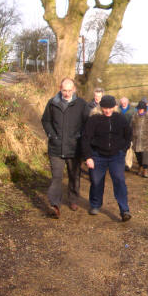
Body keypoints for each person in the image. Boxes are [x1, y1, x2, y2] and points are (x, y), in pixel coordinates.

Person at [41, 77, 89, 218]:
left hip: (74, 147)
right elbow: (45, 120)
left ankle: (73, 199)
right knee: (56, 177)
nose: (67, 93)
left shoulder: (81, 104)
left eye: (69, 90)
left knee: (74, 175)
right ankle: (54, 205)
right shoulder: (52, 103)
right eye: (64, 90)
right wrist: (51, 135)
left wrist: (81, 136)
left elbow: (87, 123)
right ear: (59, 88)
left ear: (74, 89)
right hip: (56, 147)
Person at [82, 95, 132, 221]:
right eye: (105, 108)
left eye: (110, 108)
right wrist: (88, 157)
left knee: (119, 180)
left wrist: (123, 149)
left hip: (116, 155)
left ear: (114, 107)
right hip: (98, 155)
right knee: (96, 181)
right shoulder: (94, 119)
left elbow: (128, 134)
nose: (108, 111)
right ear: (100, 107)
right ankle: (95, 205)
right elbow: (85, 138)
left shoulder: (120, 118)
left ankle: (124, 210)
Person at [131, 100, 148, 178]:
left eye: (141, 108)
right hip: (136, 139)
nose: (140, 110)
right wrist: (129, 137)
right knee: (138, 155)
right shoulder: (134, 116)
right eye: (139, 108)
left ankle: (145, 170)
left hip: (146, 139)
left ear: (144, 109)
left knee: (145, 155)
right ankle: (140, 166)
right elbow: (131, 127)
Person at [119, 97, 135, 170]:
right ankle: (120, 163)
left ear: (128, 102)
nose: (123, 103)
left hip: (129, 131)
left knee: (129, 148)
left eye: (125, 102)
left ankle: (128, 164)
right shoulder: (117, 109)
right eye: (122, 102)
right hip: (119, 131)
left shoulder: (133, 110)